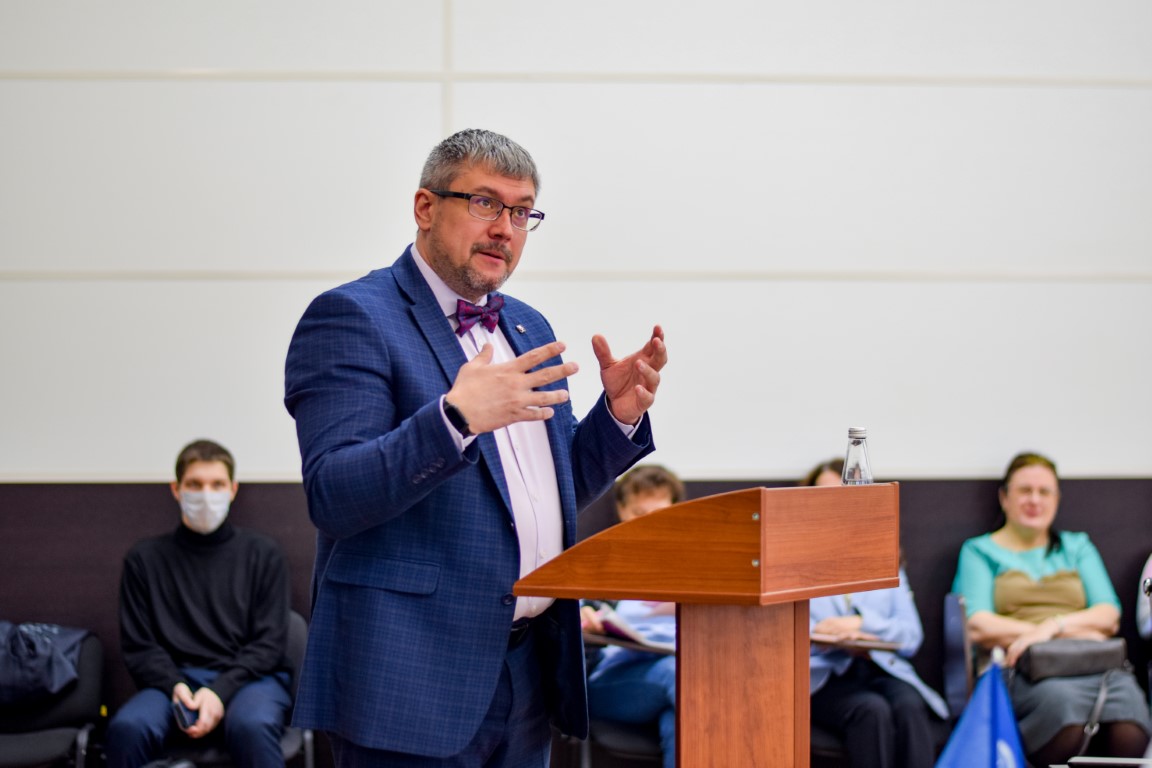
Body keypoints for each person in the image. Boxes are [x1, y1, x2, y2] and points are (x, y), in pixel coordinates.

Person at [283, 128, 666, 767]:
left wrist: (616, 419)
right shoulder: (353, 317)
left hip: (526, 674)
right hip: (408, 679)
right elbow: (335, 495)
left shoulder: (527, 325)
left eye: (522, 212)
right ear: (425, 207)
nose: (504, 229)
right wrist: (454, 419)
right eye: (485, 203)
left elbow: (544, 494)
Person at [952, 451, 1151, 765]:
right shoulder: (979, 551)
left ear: (1057, 499)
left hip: (1091, 665)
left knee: (1131, 711)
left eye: (1044, 491)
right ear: (1004, 498)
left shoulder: (1077, 547)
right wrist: (1058, 633)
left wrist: (1050, 629)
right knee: (1062, 707)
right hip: (1022, 668)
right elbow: (978, 624)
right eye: (1025, 490)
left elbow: (1108, 614)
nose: (1035, 500)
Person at [106, 440, 292, 768]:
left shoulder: (264, 554)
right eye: (195, 484)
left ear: (233, 489)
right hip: (173, 683)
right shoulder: (144, 559)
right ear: (176, 489)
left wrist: (220, 691)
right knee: (127, 728)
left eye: (217, 484)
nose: (206, 494)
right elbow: (140, 646)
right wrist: (174, 685)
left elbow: (269, 644)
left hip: (250, 680)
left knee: (252, 726)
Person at [804, 458, 948, 768]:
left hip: (880, 666)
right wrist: (824, 637)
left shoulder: (884, 558)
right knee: (871, 710)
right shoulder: (796, 562)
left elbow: (911, 637)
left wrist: (861, 624)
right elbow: (783, 638)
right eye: (824, 497)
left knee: (909, 706)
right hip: (826, 676)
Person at [582, 465, 684, 768]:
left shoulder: (696, 563)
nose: (650, 522)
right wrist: (587, 619)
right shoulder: (599, 561)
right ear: (622, 511)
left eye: (660, 513)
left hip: (679, 672)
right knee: (681, 675)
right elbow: (576, 618)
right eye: (640, 513)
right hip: (614, 676)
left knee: (680, 723)